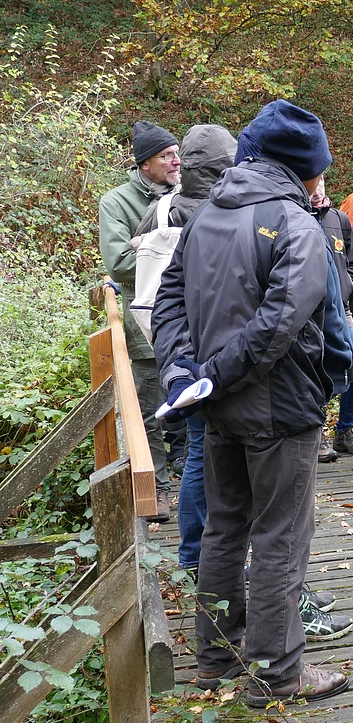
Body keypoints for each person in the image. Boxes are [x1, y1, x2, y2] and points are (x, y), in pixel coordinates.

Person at [152, 99, 350, 707]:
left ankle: (215, 654)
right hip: (280, 408)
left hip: (217, 408)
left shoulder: (208, 214)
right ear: (304, 167)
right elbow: (280, 324)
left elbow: (168, 301)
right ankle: (278, 672)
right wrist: (208, 372)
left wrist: (185, 371)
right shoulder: (296, 226)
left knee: (224, 528)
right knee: (281, 538)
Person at [134, 124, 237, 573]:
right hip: (216, 346)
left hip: (171, 339)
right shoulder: (226, 212)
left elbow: (128, 263)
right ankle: (202, 553)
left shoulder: (161, 208)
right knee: (211, 452)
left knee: (199, 450)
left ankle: (195, 552)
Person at [99, 120, 180, 522]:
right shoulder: (117, 202)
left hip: (189, 319)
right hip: (143, 322)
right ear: (145, 163)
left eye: (176, 153)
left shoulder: (186, 195)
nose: (176, 161)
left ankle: (187, 472)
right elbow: (118, 261)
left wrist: (147, 246)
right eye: (167, 155)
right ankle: (159, 491)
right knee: (148, 412)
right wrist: (167, 251)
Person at [310, 176, 353, 462]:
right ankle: (316, 434)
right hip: (311, 313)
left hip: (342, 309)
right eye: (314, 181)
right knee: (316, 374)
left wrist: (348, 285)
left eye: (322, 181)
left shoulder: (338, 219)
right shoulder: (296, 216)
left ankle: (344, 430)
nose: (318, 186)